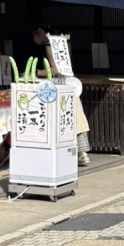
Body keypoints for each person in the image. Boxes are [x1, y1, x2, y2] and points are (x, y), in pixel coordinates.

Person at [32, 25, 91, 166]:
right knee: (75, 117)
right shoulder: (61, 42)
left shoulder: (48, 45)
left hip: (59, 87)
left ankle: (75, 153)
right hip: (70, 85)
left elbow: (55, 70)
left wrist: (36, 73)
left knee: (64, 119)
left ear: (39, 32)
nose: (34, 41)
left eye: (33, 37)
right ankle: (82, 153)